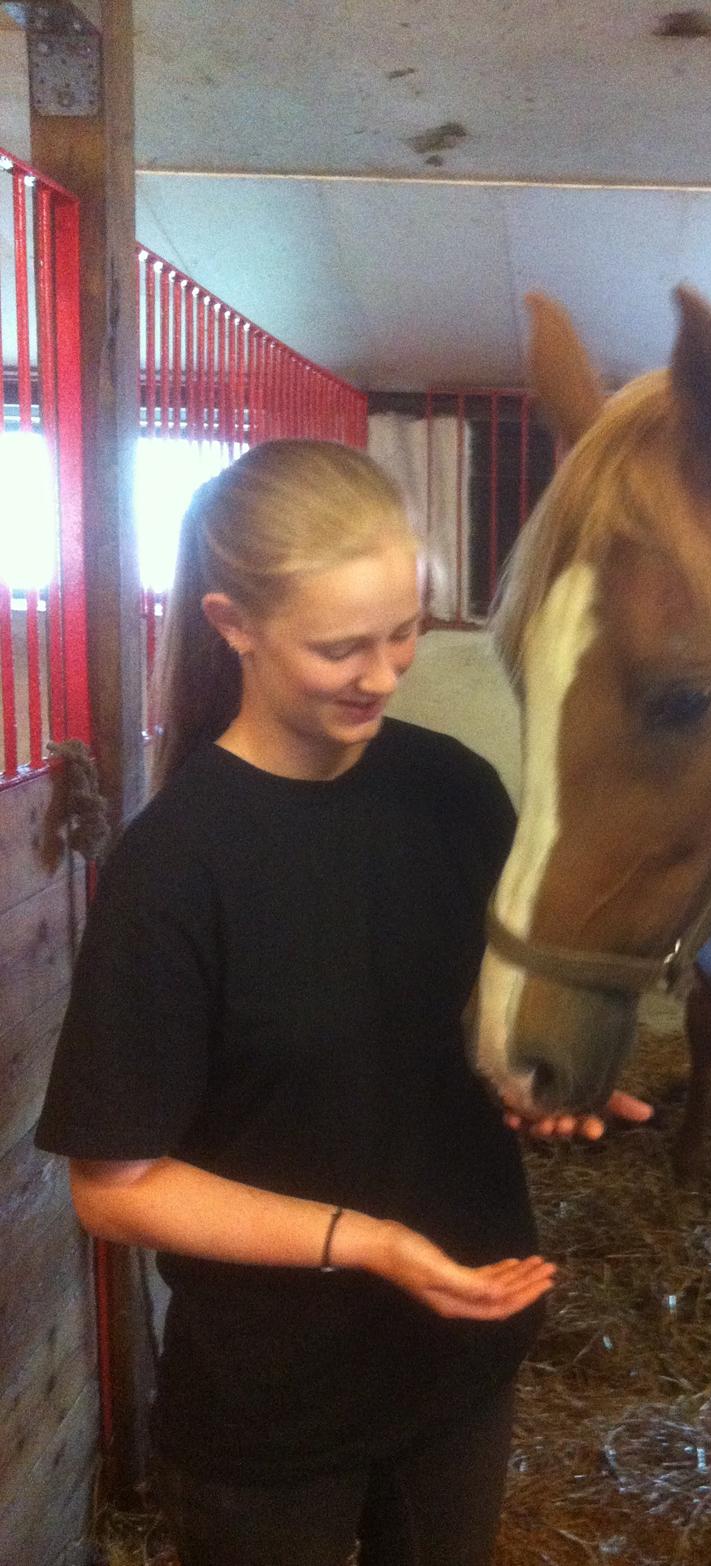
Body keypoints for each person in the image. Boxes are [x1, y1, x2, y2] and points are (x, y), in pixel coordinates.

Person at [36, 439, 650, 1566]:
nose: (385, 672)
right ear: (234, 623)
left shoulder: (454, 792)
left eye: (405, 630)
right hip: (276, 1412)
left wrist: (541, 1086)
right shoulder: (176, 867)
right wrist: (365, 1242)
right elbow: (114, 1188)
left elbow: (452, 1034)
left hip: (463, 1352)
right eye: (341, 647)